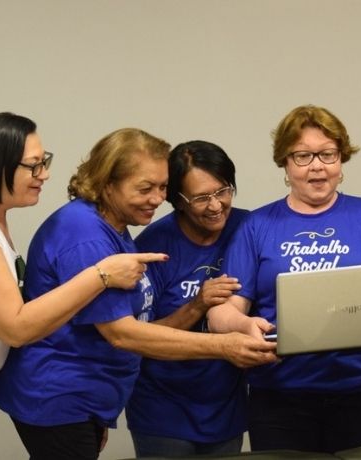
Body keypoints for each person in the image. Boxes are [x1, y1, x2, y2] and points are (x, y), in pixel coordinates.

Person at [0, 128, 277, 460]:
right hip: (60, 396)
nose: (157, 199)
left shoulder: (114, 229)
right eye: (145, 188)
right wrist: (225, 345)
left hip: (84, 401)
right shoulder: (87, 234)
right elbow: (122, 334)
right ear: (107, 184)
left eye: (162, 187)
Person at [207, 104, 361, 454]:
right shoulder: (257, 226)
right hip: (279, 396)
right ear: (285, 163)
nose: (317, 166)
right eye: (303, 155)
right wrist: (243, 325)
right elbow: (220, 313)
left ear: (341, 161)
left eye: (328, 154)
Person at [0, 113, 157, 459]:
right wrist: (101, 274)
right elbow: (16, 327)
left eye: (45, 162)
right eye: (34, 166)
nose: (45, 175)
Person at [125, 140, 250, 457]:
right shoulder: (153, 246)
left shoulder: (248, 228)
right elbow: (142, 338)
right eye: (200, 198)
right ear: (176, 200)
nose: (216, 205)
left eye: (223, 191)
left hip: (226, 407)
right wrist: (198, 304)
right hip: (163, 411)